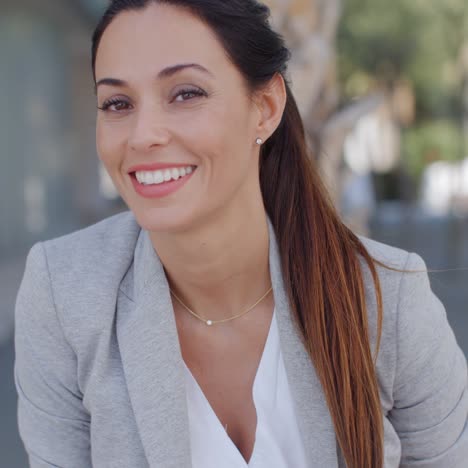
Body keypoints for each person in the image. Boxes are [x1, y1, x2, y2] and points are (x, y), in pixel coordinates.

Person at [14, 1, 468, 467]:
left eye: (186, 93)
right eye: (117, 103)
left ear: (266, 108)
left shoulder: (388, 303)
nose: (143, 135)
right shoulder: (64, 294)